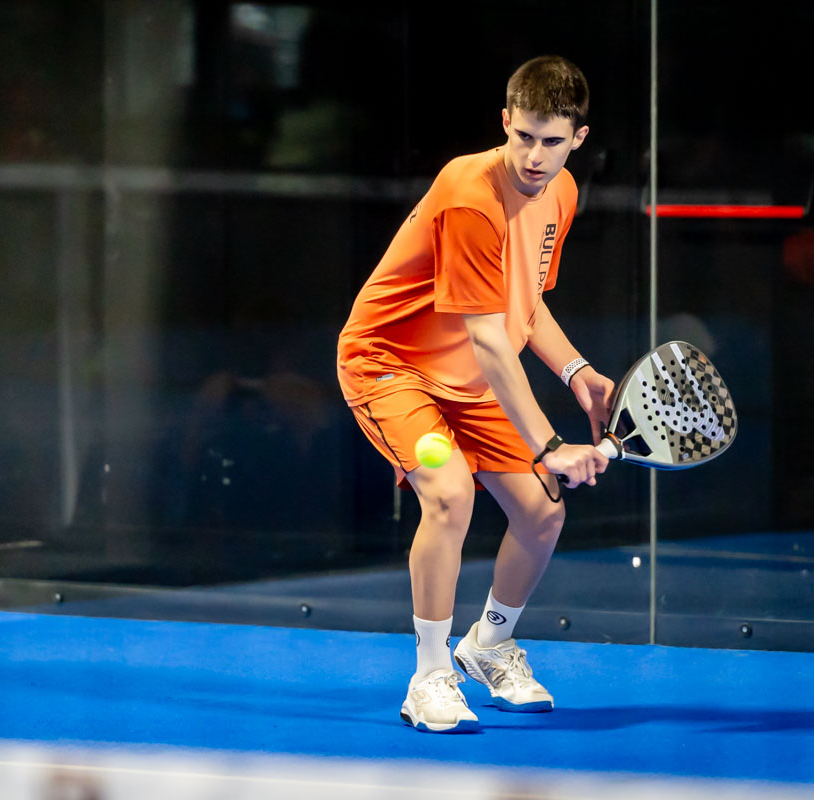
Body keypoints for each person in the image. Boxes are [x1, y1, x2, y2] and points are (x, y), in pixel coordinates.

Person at [336, 55, 614, 733]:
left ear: (578, 138)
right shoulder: (469, 194)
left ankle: (489, 644)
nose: (534, 156)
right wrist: (550, 445)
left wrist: (577, 371)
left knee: (542, 512)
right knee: (449, 491)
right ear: (505, 122)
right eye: (524, 136)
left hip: (468, 380)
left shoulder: (562, 192)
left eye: (552, 141)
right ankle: (430, 675)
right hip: (390, 366)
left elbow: (523, 304)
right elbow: (491, 339)